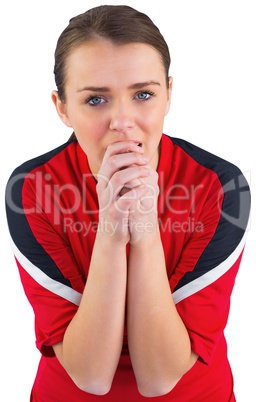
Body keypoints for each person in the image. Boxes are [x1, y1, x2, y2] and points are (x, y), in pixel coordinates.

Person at [5, 5, 250, 402]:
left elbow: (158, 379)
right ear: (62, 107)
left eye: (143, 94)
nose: (123, 120)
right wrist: (111, 232)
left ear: (169, 93)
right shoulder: (32, 189)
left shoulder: (222, 187)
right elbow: (91, 377)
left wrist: (146, 232)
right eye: (96, 100)